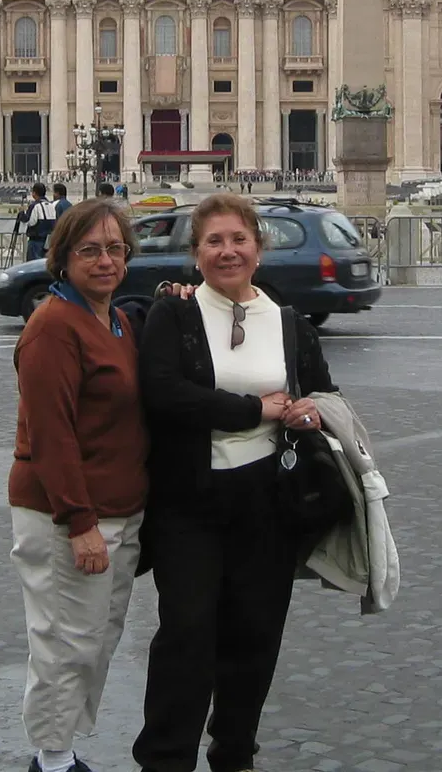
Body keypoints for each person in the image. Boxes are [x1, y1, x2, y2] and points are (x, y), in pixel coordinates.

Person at [133, 193, 335, 772]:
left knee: (255, 633)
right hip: (189, 502)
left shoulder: (289, 322)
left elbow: (324, 393)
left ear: (258, 247)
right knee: (186, 634)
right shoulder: (174, 312)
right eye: (214, 242)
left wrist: (309, 412)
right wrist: (258, 411)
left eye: (238, 240)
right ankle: (166, 758)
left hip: (268, 502)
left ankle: (234, 752)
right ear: (195, 253)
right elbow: (164, 393)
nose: (228, 251)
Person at [8, 199, 146, 772]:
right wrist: (79, 522)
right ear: (62, 258)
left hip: (114, 510)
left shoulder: (112, 319)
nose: (105, 260)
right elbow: (51, 436)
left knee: (94, 639)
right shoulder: (53, 328)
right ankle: (53, 759)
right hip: (70, 515)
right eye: (89, 250)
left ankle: (61, 750)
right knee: (66, 642)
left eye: (115, 249)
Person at [25, 182, 57, 261]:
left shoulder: (35, 205)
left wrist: (23, 215)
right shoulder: (51, 205)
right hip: (48, 241)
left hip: (36, 240)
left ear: (34, 193)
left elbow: (31, 222)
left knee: (33, 265)